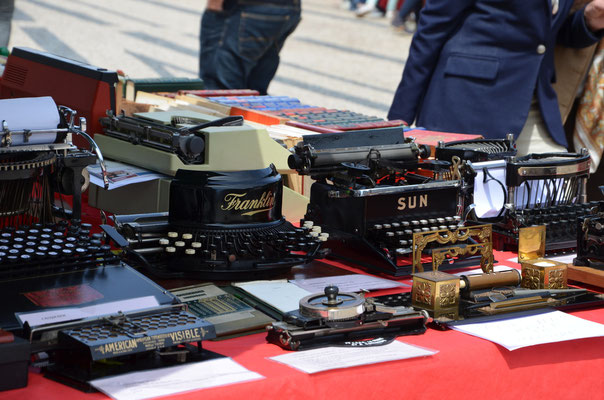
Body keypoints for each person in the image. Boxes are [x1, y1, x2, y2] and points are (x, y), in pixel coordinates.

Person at [388, 1, 604, 155]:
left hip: (535, 107)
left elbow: (544, 33)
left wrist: (588, 20)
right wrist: (400, 120)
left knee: (554, 195)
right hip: (467, 105)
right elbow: (431, 30)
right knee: (465, 213)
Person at [199, 0, 301, 95]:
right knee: (254, 93)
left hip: (243, 8)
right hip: (288, 8)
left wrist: (214, 4)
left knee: (220, 93)